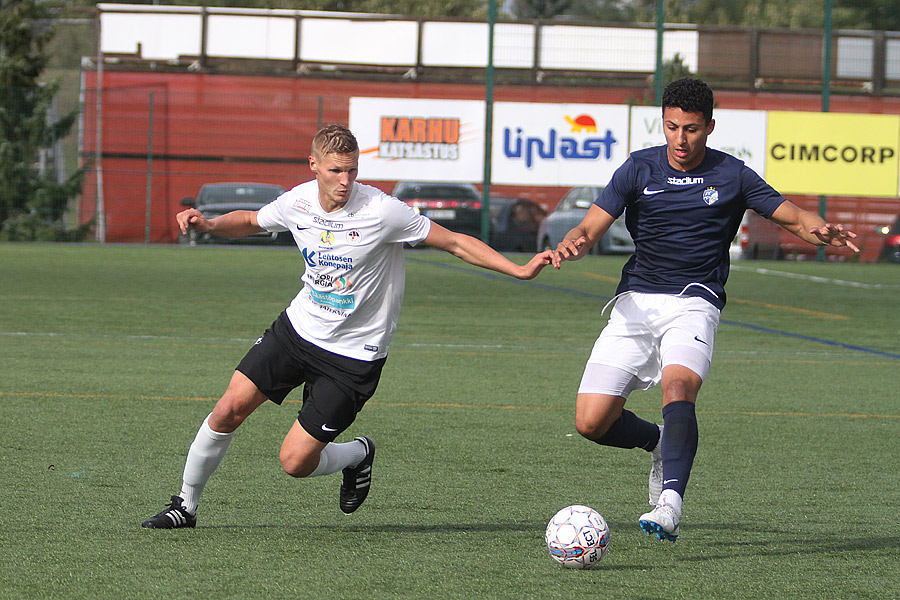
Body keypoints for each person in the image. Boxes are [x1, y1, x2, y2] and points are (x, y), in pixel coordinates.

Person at [142, 124, 552, 528]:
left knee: (295, 462)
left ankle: (357, 453)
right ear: (314, 165)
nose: (345, 180)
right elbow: (251, 220)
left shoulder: (382, 210)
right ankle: (186, 506)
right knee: (227, 409)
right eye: (336, 170)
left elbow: (455, 241)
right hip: (297, 331)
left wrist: (517, 269)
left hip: (353, 356)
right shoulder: (297, 201)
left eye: (352, 170)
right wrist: (211, 225)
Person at [551, 77, 858, 542]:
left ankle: (670, 503)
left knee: (678, 387)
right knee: (591, 422)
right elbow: (592, 224)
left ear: (710, 127)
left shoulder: (732, 175)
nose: (680, 139)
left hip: (695, 301)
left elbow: (793, 216)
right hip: (635, 303)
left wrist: (823, 231)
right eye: (672, 127)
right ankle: (659, 443)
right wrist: (574, 242)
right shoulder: (638, 168)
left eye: (691, 129)